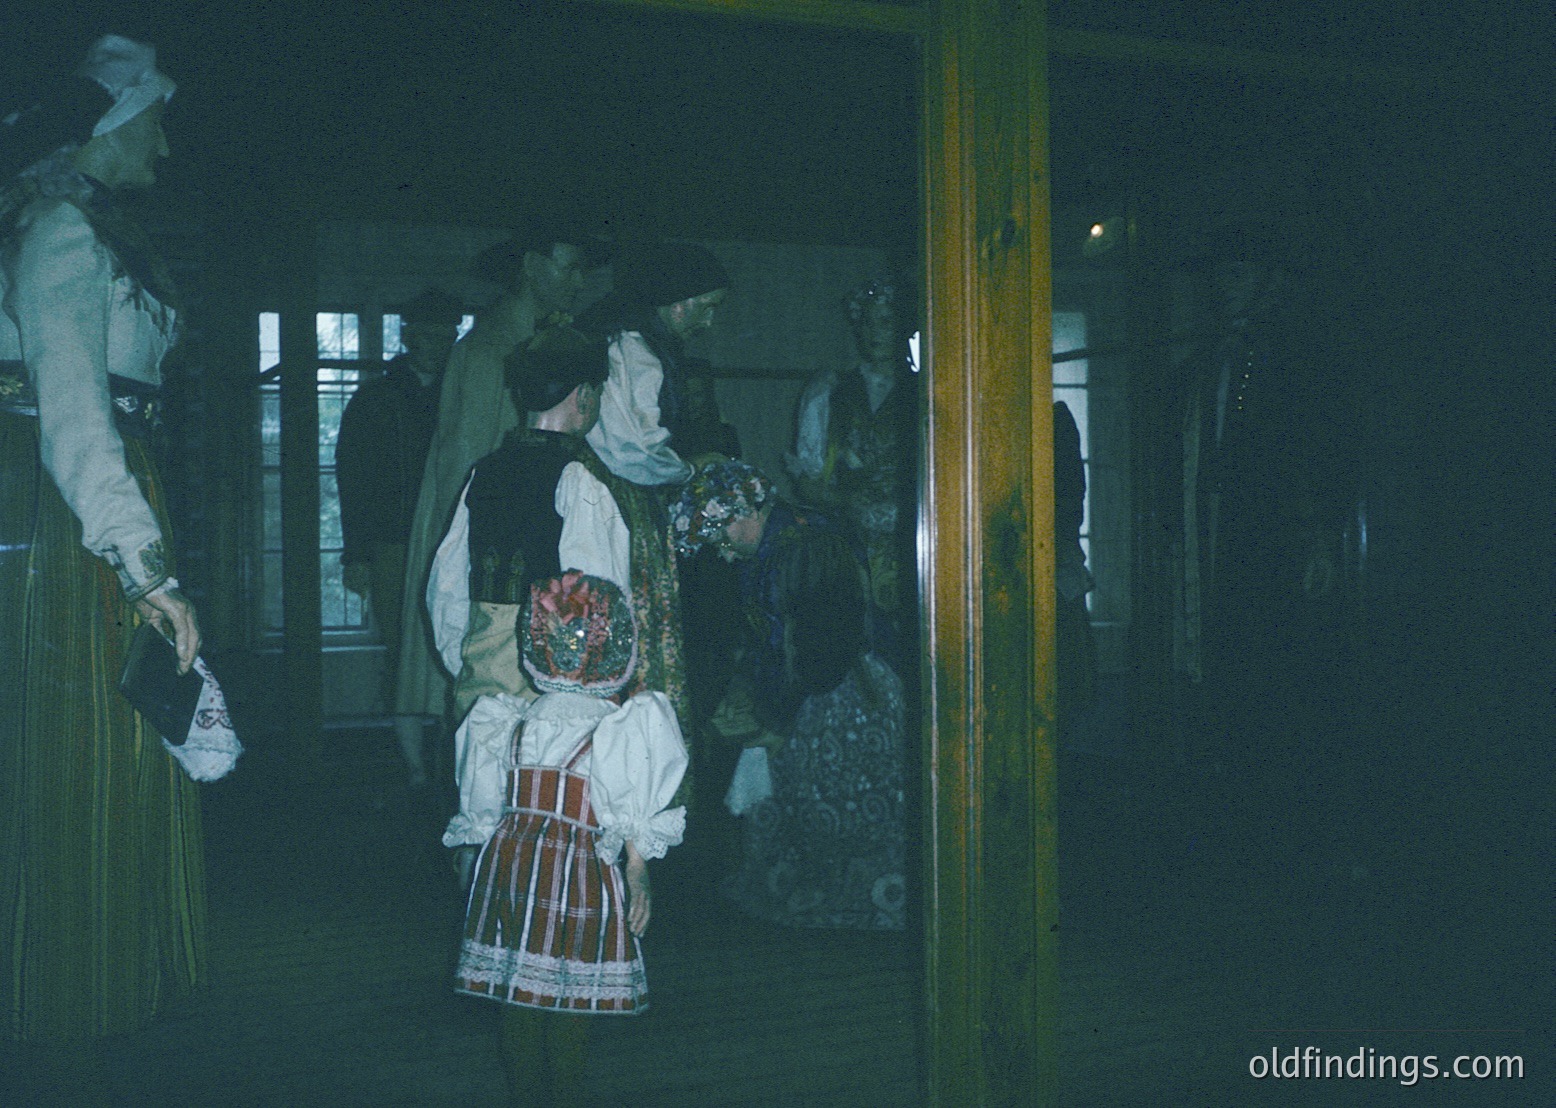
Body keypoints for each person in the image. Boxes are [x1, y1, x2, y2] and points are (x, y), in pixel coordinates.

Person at [0, 33, 207, 1039]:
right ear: (117, 123)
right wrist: (141, 563)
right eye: (156, 126)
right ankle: (66, 983)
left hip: (114, 503)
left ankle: (116, 963)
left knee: (125, 730)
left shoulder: (96, 231)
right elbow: (74, 411)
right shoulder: (61, 234)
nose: (164, 152)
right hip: (75, 526)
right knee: (86, 729)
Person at [450, 571, 687, 1104]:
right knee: (570, 1001)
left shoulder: (503, 722)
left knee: (519, 993)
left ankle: (525, 1094)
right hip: (580, 876)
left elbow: (482, 810)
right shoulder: (620, 728)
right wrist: (637, 869)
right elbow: (634, 809)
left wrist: (472, 858)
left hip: (512, 869)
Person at [394, 221, 608, 799]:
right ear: (532, 266)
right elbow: (468, 468)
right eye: (569, 266)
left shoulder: (543, 342)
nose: (580, 281)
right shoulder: (490, 350)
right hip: (486, 542)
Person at [671, 461, 908, 930]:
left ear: (744, 510)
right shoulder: (776, 545)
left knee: (841, 801)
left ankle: (859, 902)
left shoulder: (805, 545)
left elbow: (823, 647)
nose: (720, 550)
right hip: (813, 686)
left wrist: (776, 719)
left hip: (840, 692)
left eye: (720, 535)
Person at [335, 286, 462, 784]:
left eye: (444, 335)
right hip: (392, 544)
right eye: (425, 335)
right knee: (402, 650)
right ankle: (414, 768)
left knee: (453, 647)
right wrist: (356, 554)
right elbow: (352, 479)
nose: (434, 344)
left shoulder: (462, 394)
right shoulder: (375, 400)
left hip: (451, 542)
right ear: (408, 337)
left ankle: (451, 762)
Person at [787, 278, 918, 672]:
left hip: (915, 542)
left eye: (886, 321)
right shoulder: (829, 391)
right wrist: (847, 502)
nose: (875, 332)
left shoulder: (927, 392)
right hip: (848, 544)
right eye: (867, 322)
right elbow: (807, 480)